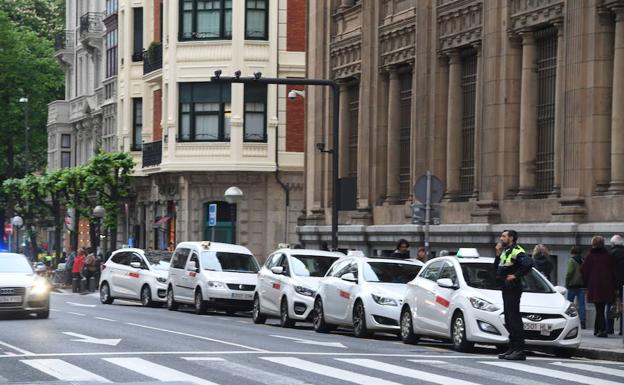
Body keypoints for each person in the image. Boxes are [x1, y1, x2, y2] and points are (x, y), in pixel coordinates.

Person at [496, 230, 533, 361]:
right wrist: (498, 253)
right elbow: (498, 268)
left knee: (514, 319)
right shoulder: (506, 251)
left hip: (513, 288)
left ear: (511, 238)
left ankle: (519, 350)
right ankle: (512, 348)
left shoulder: (516, 250)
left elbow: (528, 263)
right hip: (506, 288)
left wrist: (515, 276)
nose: (501, 238)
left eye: (504, 236)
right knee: (509, 319)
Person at [581, 236, 617, 337]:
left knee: (599, 309)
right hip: (607, 286)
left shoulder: (590, 256)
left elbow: (584, 271)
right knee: (601, 308)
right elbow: (613, 271)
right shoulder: (608, 256)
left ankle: (602, 330)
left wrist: (586, 283)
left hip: (595, 287)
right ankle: (597, 329)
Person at [565, 246, 586, 329]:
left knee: (569, 303)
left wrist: (567, 282)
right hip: (582, 285)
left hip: (572, 285)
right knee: (582, 304)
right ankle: (583, 321)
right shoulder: (583, 260)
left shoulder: (571, 260)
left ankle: (568, 319)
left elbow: (569, 272)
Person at [609, 234, 624, 335]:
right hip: (623, 284)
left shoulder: (610, 254)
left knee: (610, 306)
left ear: (613, 244)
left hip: (612, 283)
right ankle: (622, 329)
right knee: (623, 306)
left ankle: (610, 328)